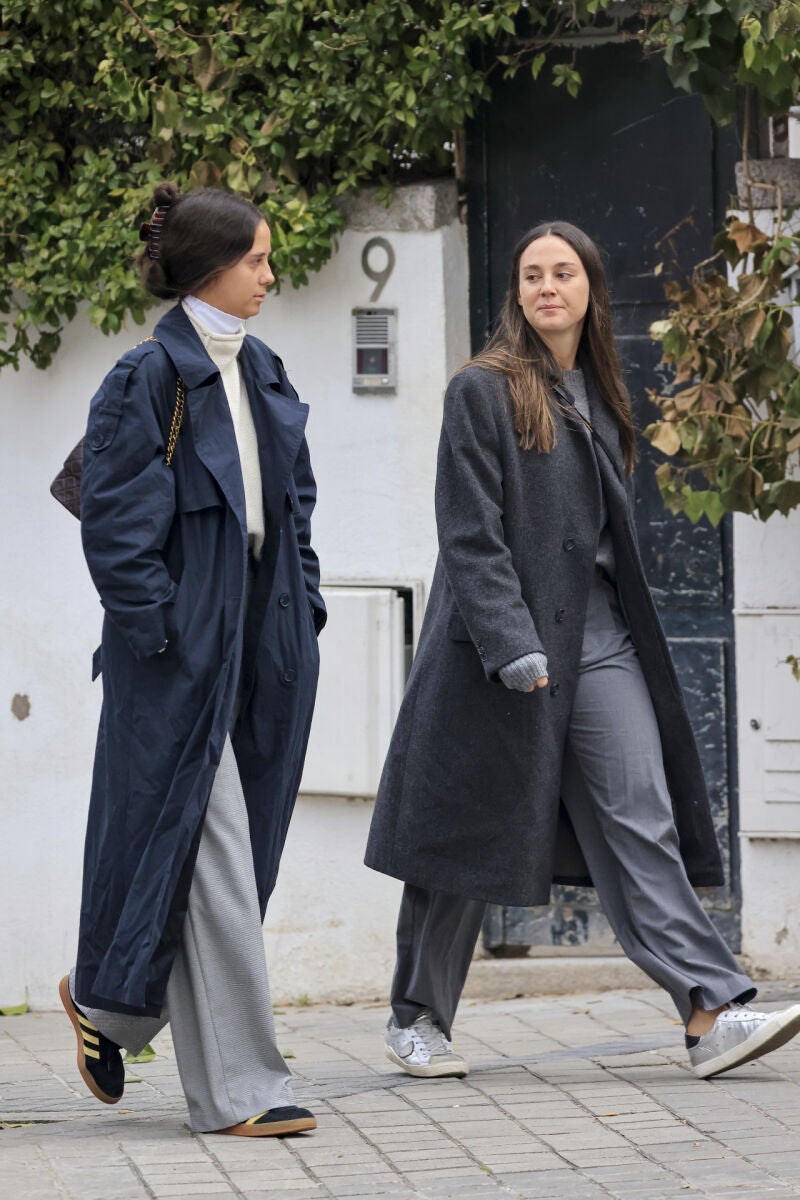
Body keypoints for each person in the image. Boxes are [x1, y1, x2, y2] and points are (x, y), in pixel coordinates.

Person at [365, 220, 800, 1082]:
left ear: (590, 287)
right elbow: (469, 532)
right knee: (463, 841)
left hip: (598, 640)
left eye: (564, 272)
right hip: (499, 650)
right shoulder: (482, 390)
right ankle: (416, 1018)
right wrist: (510, 644)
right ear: (517, 295)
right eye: (532, 274)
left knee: (641, 816)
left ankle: (709, 1008)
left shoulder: (601, 390)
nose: (547, 287)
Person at [60, 183, 326, 1137]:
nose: (270, 273)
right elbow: (119, 538)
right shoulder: (148, 379)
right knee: (211, 857)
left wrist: (308, 608)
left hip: (264, 651)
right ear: (215, 265)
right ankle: (242, 1091)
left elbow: (292, 509)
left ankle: (111, 1006)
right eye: (258, 258)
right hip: (181, 663)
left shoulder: (263, 369)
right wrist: (162, 638)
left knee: (220, 858)